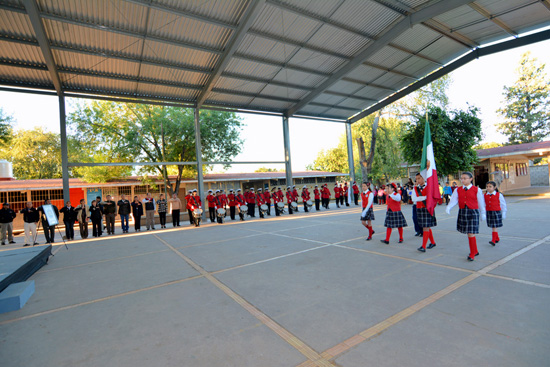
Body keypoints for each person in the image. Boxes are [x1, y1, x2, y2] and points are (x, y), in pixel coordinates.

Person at [446, 172, 486, 261]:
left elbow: (481, 202)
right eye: (462, 178)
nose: (463, 180)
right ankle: (475, 250)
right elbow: (454, 200)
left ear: (471, 179)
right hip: (463, 211)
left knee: (471, 232)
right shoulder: (458, 189)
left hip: (473, 212)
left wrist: (483, 212)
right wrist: (449, 207)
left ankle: (472, 253)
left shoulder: (476, 189)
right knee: (469, 232)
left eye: (465, 178)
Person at [412, 173, 437, 253]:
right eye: (416, 179)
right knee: (426, 226)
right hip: (419, 209)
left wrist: (421, 198)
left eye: (419, 178)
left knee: (425, 227)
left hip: (427, 208)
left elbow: (433, 197)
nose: (417, 180)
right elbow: (414, 198)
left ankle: (423, 246)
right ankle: (433, 242)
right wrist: (425, 197)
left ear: (424, 178)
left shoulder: (429, 186)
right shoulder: (415, 188)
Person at [484, 181, 507, 246]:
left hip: (496, 212)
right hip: (489, 212)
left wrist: (504, 213)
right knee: (493, 226)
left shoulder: (499, 195)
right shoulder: (485, 195)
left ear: (495, 187)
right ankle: (497, 238)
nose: (488, 188)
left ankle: (493, 240)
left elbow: (503, 204)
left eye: (490, 186)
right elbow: (483, 204)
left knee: (494, 226)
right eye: (487, 187)